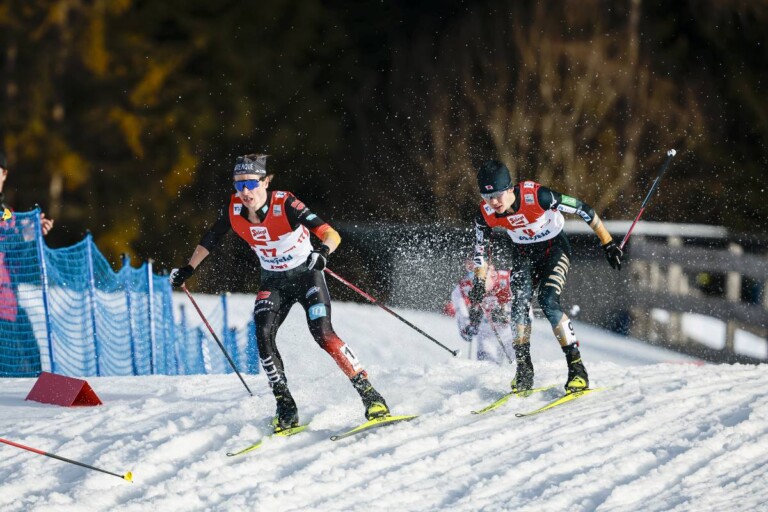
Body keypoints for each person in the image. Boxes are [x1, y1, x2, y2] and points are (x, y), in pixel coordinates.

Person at [170, 154, 390, 432]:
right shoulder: (234, 209)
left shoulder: (285, 203)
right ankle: (285, 406)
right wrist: (188, 268)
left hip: (307, 276)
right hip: (273, 282)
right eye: (239, 185)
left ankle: (371, 396)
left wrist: (323, 253)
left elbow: (331, 233)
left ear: (265, 182)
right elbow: (211, 239)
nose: (245, 191)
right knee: (262, 335)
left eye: (251, 183)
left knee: (323, 334)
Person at [463, 160, 623, 393]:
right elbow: (480, 251)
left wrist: (607, 243)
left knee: (548, 301)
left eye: (497, 195)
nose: (493, 202)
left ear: (509, 188)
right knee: (519, 304)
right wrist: (479, 281)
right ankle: (524, 369)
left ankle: (577, 369)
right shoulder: (485, 213)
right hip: (523, 255)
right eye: (487, 197)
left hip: (554, 249)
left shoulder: (537, 196)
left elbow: (583, 209)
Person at [0, 151, 54, 377]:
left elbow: (17, 261)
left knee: (31, 371)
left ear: (4, 174)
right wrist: (22, 235)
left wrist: (32, 234)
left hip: (8, 308)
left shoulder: (7, 214)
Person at [446, 262, 514, 364]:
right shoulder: (465, 287)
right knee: (487, 367)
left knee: (518, 364)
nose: (478, 280)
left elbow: (524, 305)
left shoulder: (506, 279)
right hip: (486, 335)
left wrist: (509, 314)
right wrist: (467, 327)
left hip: (509, 333)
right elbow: (460, 310)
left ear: (491, 269)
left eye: (482, 273)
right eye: (473, 272)